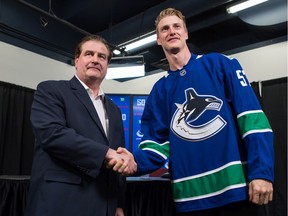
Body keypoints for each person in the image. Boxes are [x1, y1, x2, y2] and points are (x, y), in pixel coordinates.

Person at [115, 8, 274, 216]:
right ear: (158, 39)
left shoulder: (220, 64)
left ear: (186, 33)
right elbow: (157, 146)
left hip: (237, 191)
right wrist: (135, 162)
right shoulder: (159, 91)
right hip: (190, 199)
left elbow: (252, 120)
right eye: (165, 29)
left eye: (176, 26)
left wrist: (262, 172)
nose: (171, 31)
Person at [25, 34, 137, 216]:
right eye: (89, 54)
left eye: (102, 56)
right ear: (77, 60)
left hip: (105, 205)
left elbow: (118, 156)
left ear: (107, 65)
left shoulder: (115, 110)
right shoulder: (51, 90)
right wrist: (107, 154)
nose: (95, 60)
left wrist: (118, 203)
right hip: (62, 204)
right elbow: (52, 134)